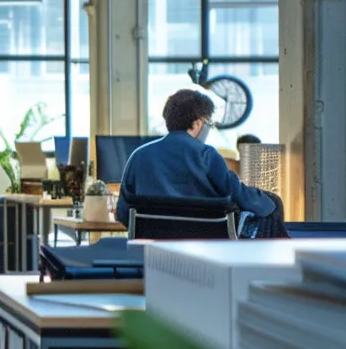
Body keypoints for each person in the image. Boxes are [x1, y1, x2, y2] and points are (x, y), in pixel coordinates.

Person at [116, 89, 287, 238]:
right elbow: (238, 193)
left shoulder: (138, 156)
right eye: (209, 124)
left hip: (151, 246)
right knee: (272, 203)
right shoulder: (206, 155)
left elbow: (123, 213)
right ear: (197, 123)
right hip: (206, 247)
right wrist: (271, 203)